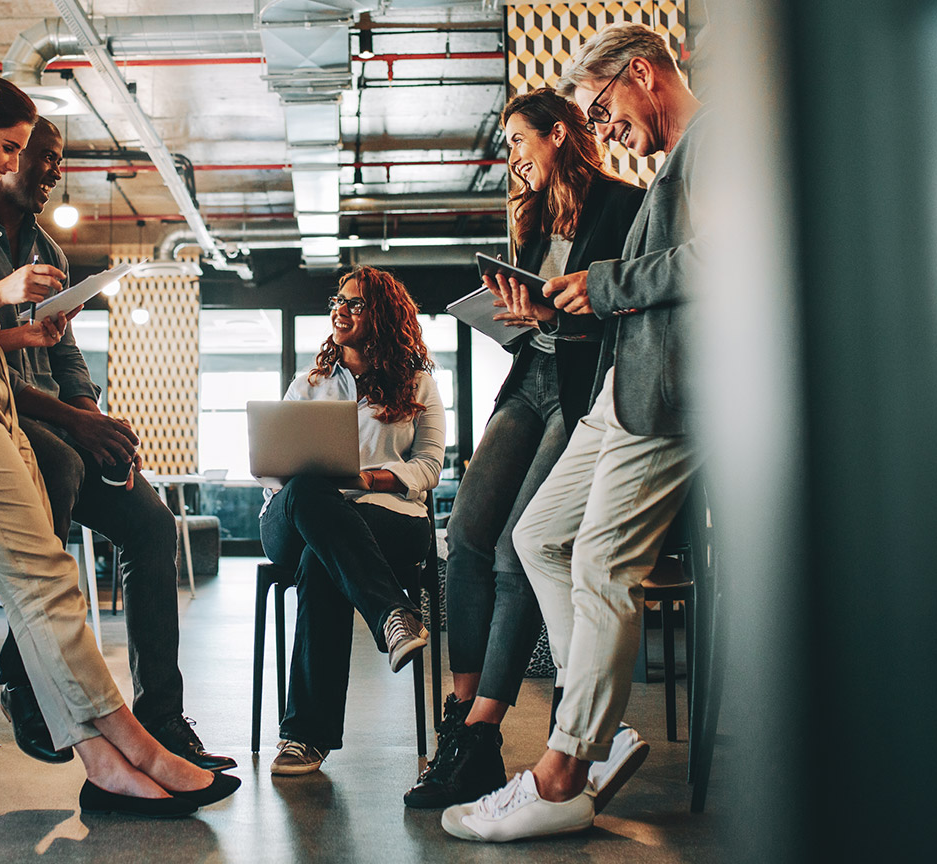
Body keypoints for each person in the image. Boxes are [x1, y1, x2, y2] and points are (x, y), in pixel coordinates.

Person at [0, 75, 237, 818]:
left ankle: (102, 761)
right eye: (6, 148)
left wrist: (18, 331)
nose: (8, 165)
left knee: (46, 578)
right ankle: (135, 744)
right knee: (46, 575)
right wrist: (1, 297)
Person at [441, 23, 707, 842]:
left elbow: (725, 257)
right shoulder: (672, 164)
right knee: (539, 535)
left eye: (602, 108)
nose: (605, 129)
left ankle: (563, 770)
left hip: (665, 393)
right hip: (620, 389)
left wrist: (606, 282)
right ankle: (604, 726)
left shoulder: (715, 141)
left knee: (598, 559)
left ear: (642, 74)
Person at [405, 88, 645, 810]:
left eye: (518, 140)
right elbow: (536, 311)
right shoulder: (533, 216)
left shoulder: (623, 204)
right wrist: (515, 314)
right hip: (530, 377)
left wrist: (550, 315)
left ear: (560, 134)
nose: (510, 156)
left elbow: (626, 321)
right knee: (467, 535)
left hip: (582, 387)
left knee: (518, 546)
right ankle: (461, 719)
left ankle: (482, 734)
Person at [0, 117, 233, 772]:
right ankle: (22, 676)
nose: (56, 171)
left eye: (59, 160)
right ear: (6, 157)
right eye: (45, 159)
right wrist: (75, 424)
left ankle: (163, 721)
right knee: (59, 464)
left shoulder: (50, 255)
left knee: (151, 526)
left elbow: (69, 363)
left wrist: (96, 420)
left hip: (56, 418)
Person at [262, 266, 446, 777]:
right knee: (307, 492)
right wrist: (311, 481)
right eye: (336, 301)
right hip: (293, 518)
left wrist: (376, 479)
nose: (339, 310)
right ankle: (393, 613)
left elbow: (430, 466)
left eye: (355, 303)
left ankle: (303, 740)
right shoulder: (310, 383)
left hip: (385, 517)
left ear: (383, 316)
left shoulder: (418, 385)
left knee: (325, 563)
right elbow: (275, 464)